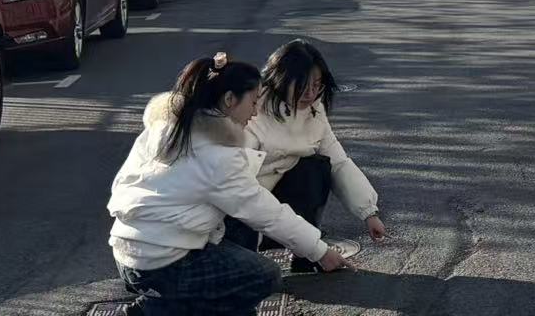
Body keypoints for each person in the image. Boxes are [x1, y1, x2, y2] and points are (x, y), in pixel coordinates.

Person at [108, 54, 355, 316]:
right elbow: (267, 213)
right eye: (253, 101)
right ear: (229, 100)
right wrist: (319, 251)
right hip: (164, 264)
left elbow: (121, 185)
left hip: (127, 254)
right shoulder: (219, 155)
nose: (255, 111)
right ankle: (151, 310)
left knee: (236, 229)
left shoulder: (164, 129)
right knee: (264, 275)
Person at [223, 39, 385, 272]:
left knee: (317, 168)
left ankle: (304, 252)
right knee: (253, 274)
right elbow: (240, 192)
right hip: (241, 204)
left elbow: (339, 162)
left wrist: (369, 213)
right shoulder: (252, 110)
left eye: (317, 85)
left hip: (274, 204)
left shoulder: (314, 110)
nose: (310, 94)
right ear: (281, 79)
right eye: (302, 86)